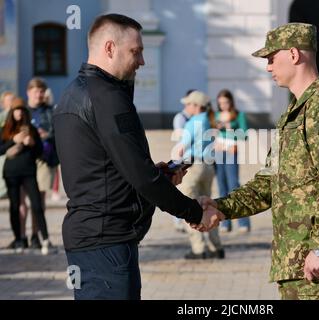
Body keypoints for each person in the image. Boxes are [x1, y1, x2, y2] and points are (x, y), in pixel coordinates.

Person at [53, 14, 222, 300]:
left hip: (91, 238)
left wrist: (163, 176)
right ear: (109, 48)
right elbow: (140, 176)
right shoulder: (107, 98)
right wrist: (194, 212)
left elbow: (106, 170)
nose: (142, 61)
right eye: (136, 51)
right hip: (107, 243)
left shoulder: (73, 92)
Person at [196, 23, 319, 300]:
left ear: (294, 54)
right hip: (295, 261)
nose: (268, 67)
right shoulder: (292, 112)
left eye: (271, 58)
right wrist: (222, 207)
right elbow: (268, 180)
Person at [0, 97, 53, 255]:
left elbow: (39, 152)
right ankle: (19, 239)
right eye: (16, 110)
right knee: (14, 206)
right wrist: (13, 141)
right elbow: (0, 150)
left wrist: (32, 144)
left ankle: (44, 238)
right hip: (11, 173)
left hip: (29, 172)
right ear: (11, 112)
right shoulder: (6, 129)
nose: (19, 113)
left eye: (21, 110)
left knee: (36, 205)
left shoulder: (31, 129)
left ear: (25, 112)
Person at [176, 90, 224, 260]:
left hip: (193, 166)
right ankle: (216, 245)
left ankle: (198, 248)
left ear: (196, 106)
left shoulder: (193, 122)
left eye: (188, 103)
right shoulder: (209, 121)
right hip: (208, 166)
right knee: (208, 206)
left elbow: (181, 147)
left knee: (188, 206)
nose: (186, 106)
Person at [24, 78, 58, 250]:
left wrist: (45, 134)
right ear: (28, 92)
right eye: (36, 91)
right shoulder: (22, 112)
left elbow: (57, 132)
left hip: (44, 159)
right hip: (25, 159)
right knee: (24, 201)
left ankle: (36, 234)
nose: (39, 94)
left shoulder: (50, 111)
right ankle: (22, 236)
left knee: (39, 199)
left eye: (42, 91)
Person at [214, 89, 250, 233]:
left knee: (234, 186)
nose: (223, 105)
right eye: (220, 103)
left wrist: (230, 128)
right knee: (221, 187)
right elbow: (208, 133)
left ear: (231, 102)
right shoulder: (215, 115)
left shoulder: (238, 115)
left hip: (230, 152)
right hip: (218, 153)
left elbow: (244, 135)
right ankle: (224, 222)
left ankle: (243, 222)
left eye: (226, 102)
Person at [171, 89, 196, 233]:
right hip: (183, 157)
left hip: (193, 158)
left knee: (190, 189)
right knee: (180, 187)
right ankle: (178, 221)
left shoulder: (196, 118)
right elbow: (183, 138)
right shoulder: (180, 117)